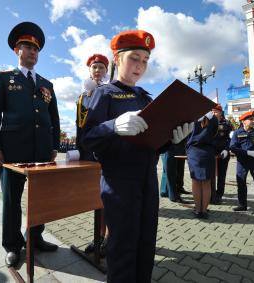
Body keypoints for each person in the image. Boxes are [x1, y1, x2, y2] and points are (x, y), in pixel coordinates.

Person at [81, 30, 193, 283]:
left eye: (145, 60)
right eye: (134, 58)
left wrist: (171, 140)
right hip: (119, 182)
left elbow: (150, 145)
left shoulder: (145, 97)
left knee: (146, 244)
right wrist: (112, 126)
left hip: (147, 179)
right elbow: (87, 139)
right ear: (117, 59)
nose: (140, 66)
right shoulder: (105, 93)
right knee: (122, 247)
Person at [0, 22, 60, 267]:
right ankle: (13, 245)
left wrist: (55, 145)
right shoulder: (4, 79)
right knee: (11, 200)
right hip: (12, 150)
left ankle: (35, 237)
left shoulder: (47, 84)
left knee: (41, 198)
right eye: (27, 47)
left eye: (36, 49)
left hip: (41, 150)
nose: (32, 52)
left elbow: (54, 118)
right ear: (17, 50)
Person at [75, 53, 110, 255]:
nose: (97, 71)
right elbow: (81, 129)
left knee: (107, 199)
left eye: (101, 68)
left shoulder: (110, 92)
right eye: (94, 67)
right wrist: (79, 153)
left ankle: (108, 239)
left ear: (106, 72)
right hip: (89, 155)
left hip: (107, 154)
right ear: (89, 71)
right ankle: (98, 237)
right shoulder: (83, 97)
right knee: (95, 198)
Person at [186, 110, 220, 219]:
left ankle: (198, 210)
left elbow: (185, 133)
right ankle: (204, 211)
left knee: (196, 182)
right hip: (208, 151)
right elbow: (215, 134)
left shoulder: (191, 115)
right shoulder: (213, 118)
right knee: (206, 182)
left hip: (193, 151)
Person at [211, 104, 233, 204]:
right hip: (211, 152)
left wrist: (226, 149)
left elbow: (230, 139)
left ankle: (219, 195)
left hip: (223, 152)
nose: (213, 113)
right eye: (212, 111)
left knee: (221, 175)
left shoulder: (227, 123)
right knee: (210, 175)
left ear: (220, 112)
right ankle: (211, 194)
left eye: (215, 111)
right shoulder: (207, 122)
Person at [160, 138, 192, 204]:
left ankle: (168, 190)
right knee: (170, 171)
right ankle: (173, 196)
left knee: (176, 168)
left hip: (179, 142)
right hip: (170, 143)